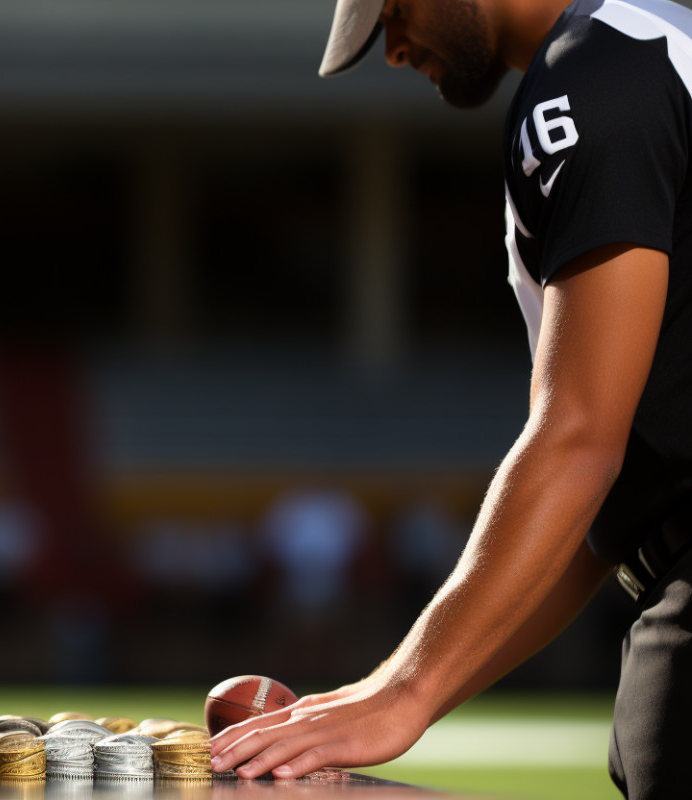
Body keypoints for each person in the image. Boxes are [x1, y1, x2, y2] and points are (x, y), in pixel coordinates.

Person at [209, 1, 692, 798]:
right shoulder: (645, 42)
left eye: (392, 11)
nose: (395, 51)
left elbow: (578, 437)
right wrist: (398, 682)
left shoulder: (592, 74)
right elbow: (602, 510)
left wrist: (406, 692)